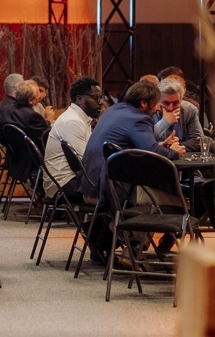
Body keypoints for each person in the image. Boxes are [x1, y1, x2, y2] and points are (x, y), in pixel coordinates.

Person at [79, 80, 185, 261]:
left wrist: (160, 146)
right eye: (156, 103)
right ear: (144, 103)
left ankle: (106, 239)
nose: (158, 108)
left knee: (152, 191)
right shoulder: (139, 119)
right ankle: (131, 250)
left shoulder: (114, 110)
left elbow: (136, 147)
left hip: (91, 184)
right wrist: (173, 152)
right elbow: (152, 151)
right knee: (178, 205)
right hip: (111, 190)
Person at [42, 76, 103, 197]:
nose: (100, 102)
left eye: (101, 97)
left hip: (70, 179)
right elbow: (82, 164)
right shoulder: (73, 121)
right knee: (116, 190)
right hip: (63, 184)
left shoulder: (79, 118)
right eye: (96, 97)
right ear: (79, 99)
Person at [152, 77, 203, 152]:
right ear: (158, 100)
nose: (171, 108)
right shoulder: (150, 110)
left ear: (181, 100)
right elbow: (146, 142)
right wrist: (165, 122)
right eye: (166, 103)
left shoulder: (189, 110)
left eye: (175, 103)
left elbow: (198, 141)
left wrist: (175, 146)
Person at [0, 79, 49, 151]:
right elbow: (46, 138)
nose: (39, 97)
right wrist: (48, 121)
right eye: (38, 94)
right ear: (30, 100)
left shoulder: (5, 111)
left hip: (12, 155)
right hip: (33, 155)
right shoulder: (33, 116)